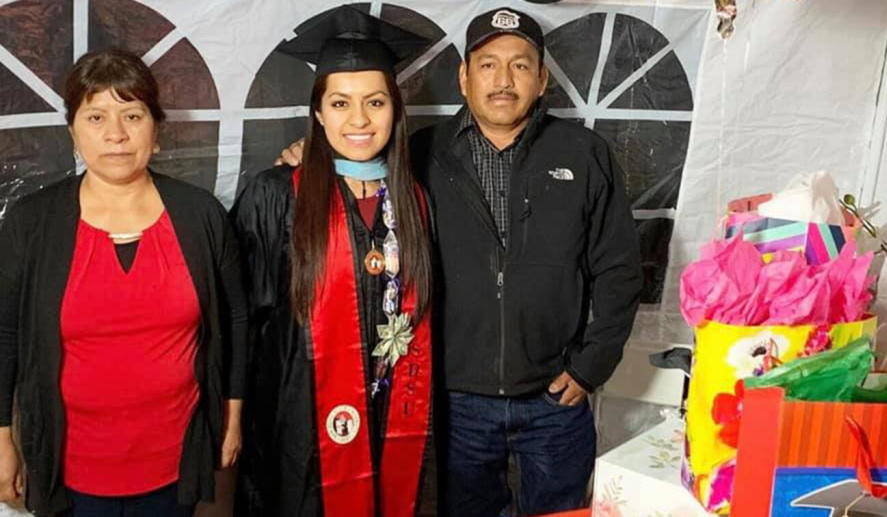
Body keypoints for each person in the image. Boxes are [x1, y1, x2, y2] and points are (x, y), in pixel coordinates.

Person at [278, 7, 643, 516]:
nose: (503, 80)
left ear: (541, 80)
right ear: (464, 78)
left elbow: (620, 271)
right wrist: (309, 153)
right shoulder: (417, 157)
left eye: (520, 66)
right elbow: (353, 184)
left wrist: (589, 367)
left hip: (555, 400)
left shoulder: (584, 154)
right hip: (455, 404)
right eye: (488, 65)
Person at [0, 48, 247, 517]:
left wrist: (231, 419)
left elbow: (235, 321)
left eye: (132, 114)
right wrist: (1, 442)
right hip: (70, 471)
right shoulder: (32, 223)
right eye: (96, 116)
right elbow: (5, 336)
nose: (115, 134)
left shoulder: (201, 216)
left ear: (156, 129)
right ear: (73, 130)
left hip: (176, 466)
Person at [231, 6, 435, 517]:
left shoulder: (414, 200)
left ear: (396, 109)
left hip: (394, 414)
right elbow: (239, 321)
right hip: (296, 422)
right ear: (318, 113)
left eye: (375, 102)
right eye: (340, 103)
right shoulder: (277, 195)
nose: (360, 120)